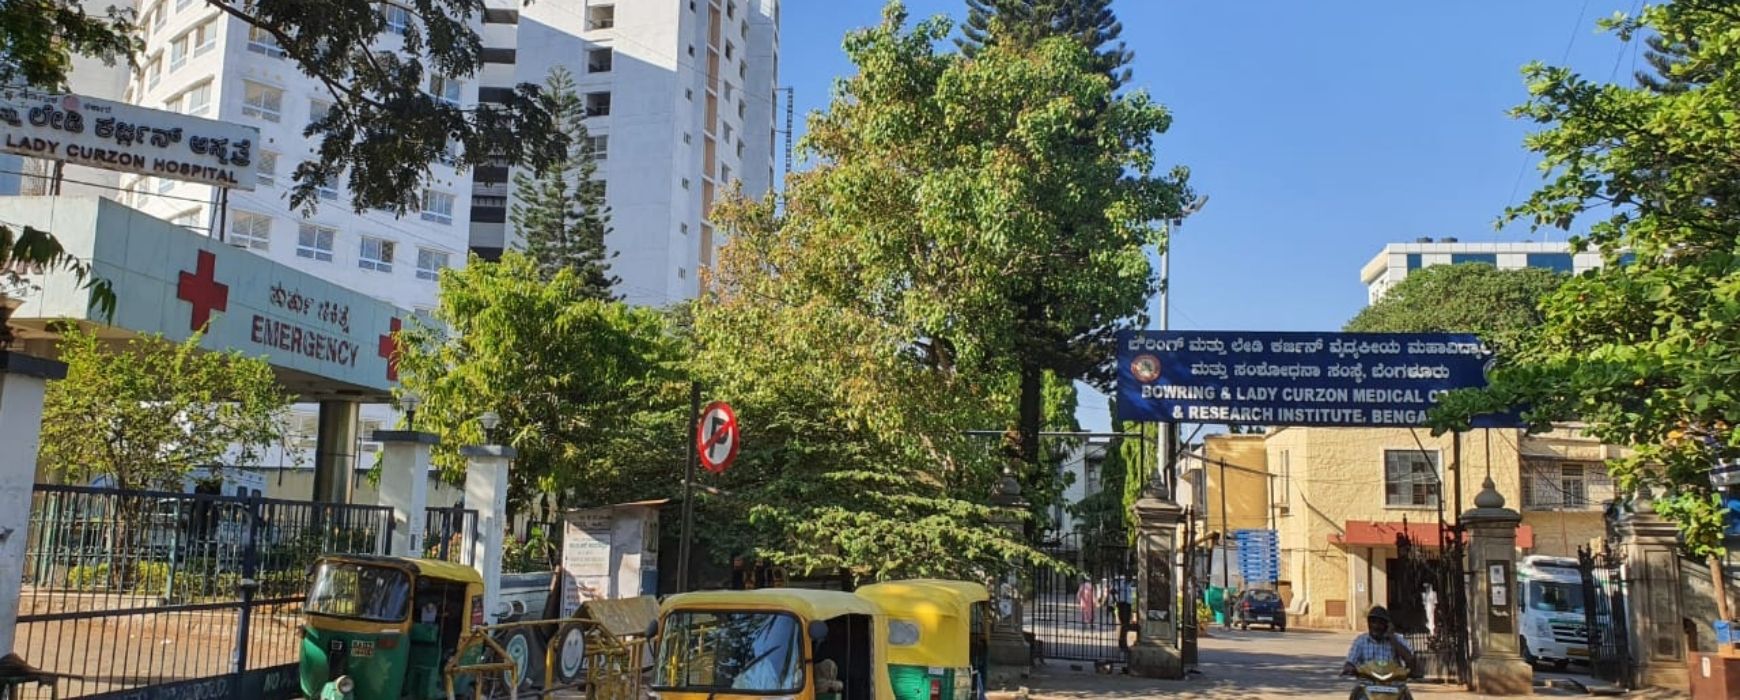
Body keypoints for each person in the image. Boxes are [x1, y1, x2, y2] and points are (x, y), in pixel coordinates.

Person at [1342, 605, 1416, 678]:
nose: (1376, 626)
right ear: (1368, 623)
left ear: (1387, 625)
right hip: (1367, 682)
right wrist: (1350, 668)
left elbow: (1410, 660)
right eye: (1373, 622)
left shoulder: (1397, 639)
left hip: (1393, 682)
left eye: (1380, 623)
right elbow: (1350, 662)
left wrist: (1392, 638)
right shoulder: (1361, 641)